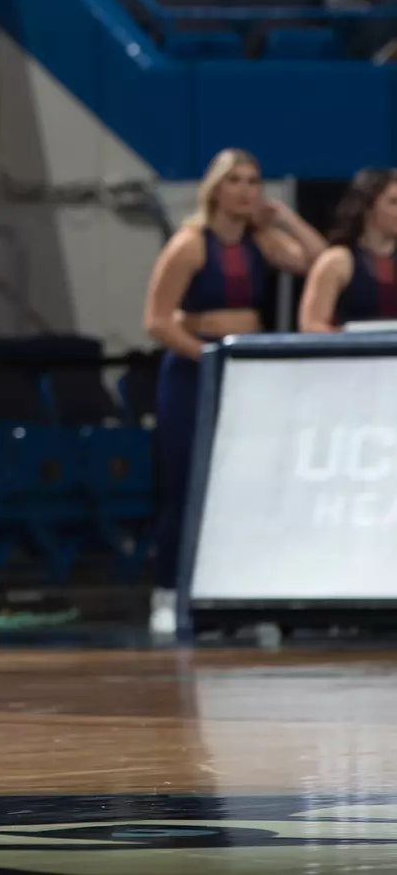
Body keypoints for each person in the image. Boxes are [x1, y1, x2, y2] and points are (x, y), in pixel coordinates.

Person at [141, 149, 324, 637]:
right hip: (193, 371)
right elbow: (157, 320)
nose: (247, 190)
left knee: (243, 488)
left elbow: (318, 261)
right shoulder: (190, 244)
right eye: (236, 181)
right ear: (216, 188)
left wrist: (284, 215)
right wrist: (206, 358)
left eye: (254, 181)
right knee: (185, 483)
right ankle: (167, 591)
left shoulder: (261, 242)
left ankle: (237, 595)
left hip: (246, 373)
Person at [299, 169, 397, 333]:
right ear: (367, 206)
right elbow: (311, 326)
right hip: (352, 356)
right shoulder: (337, 261)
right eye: (394, 202)